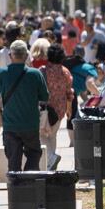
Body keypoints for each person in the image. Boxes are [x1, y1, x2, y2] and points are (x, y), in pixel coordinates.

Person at [0, 40, 48, 173]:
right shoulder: (35, 74)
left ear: (10, 55)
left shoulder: (2, 74)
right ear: (27, 56)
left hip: (10, 125)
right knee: (33, 156)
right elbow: (45, 97)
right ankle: (30, 184)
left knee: (13, 163)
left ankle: (16, 189)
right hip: (31, 124)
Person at [34, 39, 74, 172]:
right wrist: (69, 109)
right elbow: (69, 93)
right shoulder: (66, 72)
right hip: (59, 111)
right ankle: (51, 162)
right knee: (52, 135)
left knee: (41, 135)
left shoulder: (42, 70)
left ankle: (50, 158)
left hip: (44, 109)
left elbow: (36, 90)